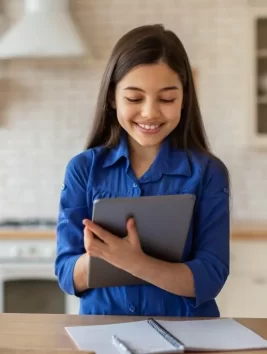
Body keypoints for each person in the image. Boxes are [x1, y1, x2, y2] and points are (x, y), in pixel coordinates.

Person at [55, 24, 230, 317]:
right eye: (134, 98)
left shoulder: (209, 172)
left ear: (184, 99)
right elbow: (65, 274)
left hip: (187, 336)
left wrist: (134, 262)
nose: (150, 112)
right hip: (104, 335)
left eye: (167, 98)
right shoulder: (83, 169)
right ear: (112, 97)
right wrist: (101, 259)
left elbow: (210, 276)